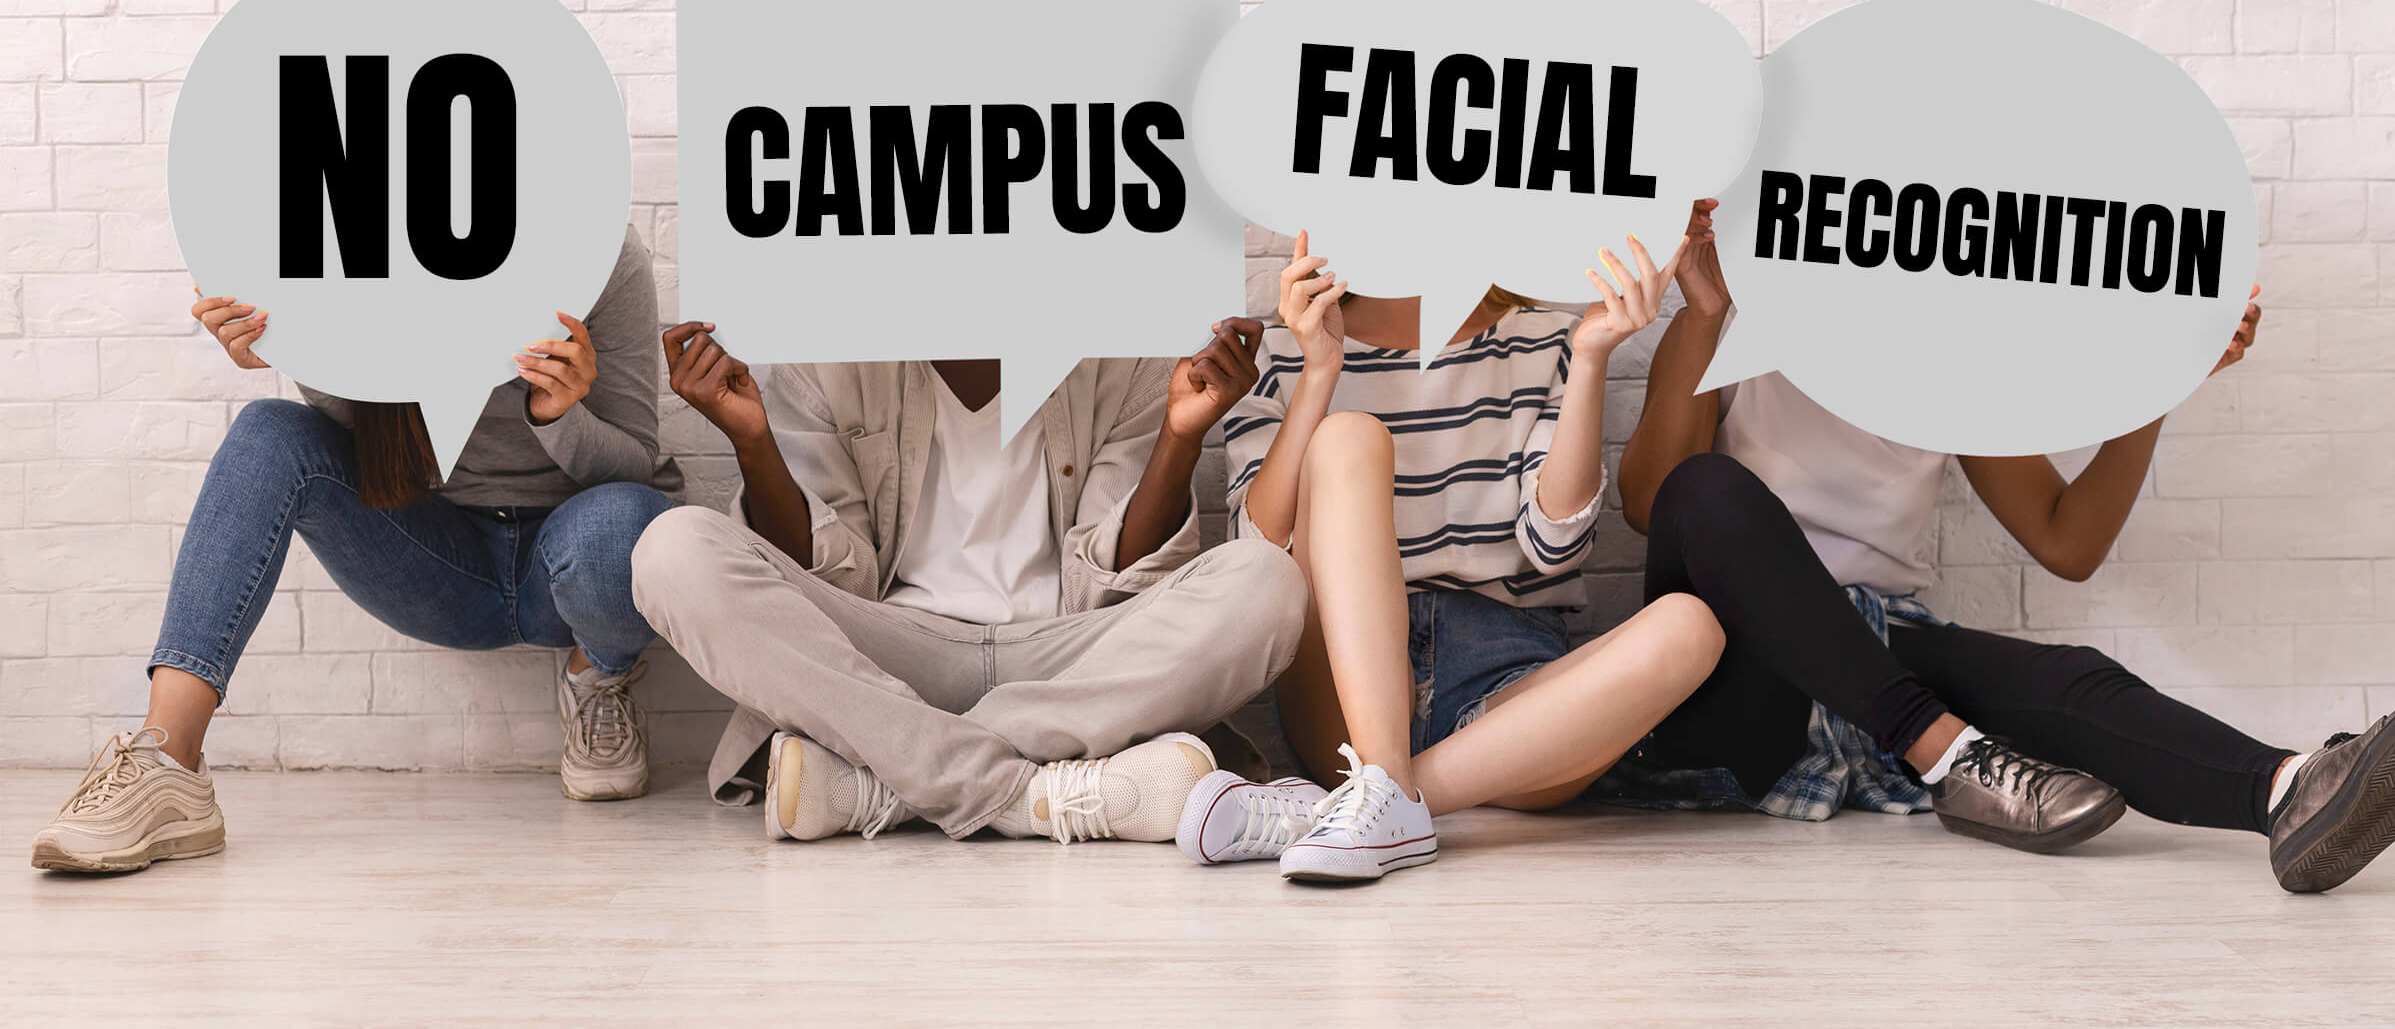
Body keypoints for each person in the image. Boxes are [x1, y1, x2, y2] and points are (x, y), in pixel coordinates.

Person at [1607, 197, 2395, 893]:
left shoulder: (1944, 363)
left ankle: (2290, 789)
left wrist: (2158, 385)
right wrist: (1705, 313)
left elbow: (2069, 541)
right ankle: (1952, 758)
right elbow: (1656, 504)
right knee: (1708, 487)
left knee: (2065, 679)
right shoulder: (1741, 319)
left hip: (1876, 653)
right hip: (1732, 670)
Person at [32, 229, 680, 874]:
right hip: (437, 561)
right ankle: (166, 763)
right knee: (268, 432)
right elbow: (366, 441)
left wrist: (559, 413)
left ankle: (595, 677)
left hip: (569, 560)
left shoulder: (601, 248)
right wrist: (293, 348)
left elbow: (633, 466)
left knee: (624, 518)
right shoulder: (348, 238)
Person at [631, 316, 1307, 847]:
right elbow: (838, 580)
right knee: (671, 549)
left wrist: (1180, 437)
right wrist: (753, 443)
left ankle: (888, 784)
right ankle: (1028, 794)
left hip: (1069, 659)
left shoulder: (1123, 351)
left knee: (1265, 581)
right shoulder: (830, 351)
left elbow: (1109, 588)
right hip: (890, 654)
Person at [1184, 232, 1726, 883]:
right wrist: (1321, 371)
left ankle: (1371, 803)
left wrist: (1588, 359)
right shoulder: (1278, 350)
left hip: (1507, 690)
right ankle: (1376, 782)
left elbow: (1555, 548)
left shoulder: (1551, 338)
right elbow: (1256, 564)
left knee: (1691, 628)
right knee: (1346, 437)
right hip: (1340, 688)